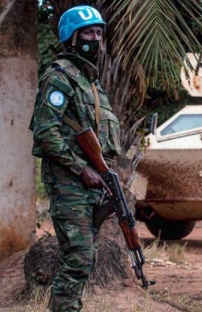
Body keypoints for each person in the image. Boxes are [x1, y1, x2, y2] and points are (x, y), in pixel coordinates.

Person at [28, 5, 121, 311]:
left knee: (85, 257)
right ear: (71, 37)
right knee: (79, 257)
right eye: (88, 33)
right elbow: (45, 131)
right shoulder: (59, 77)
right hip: (69, 183)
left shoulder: (91, 82)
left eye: (99, 33)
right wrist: (82, 169)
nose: (95, 39)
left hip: (91, 184)